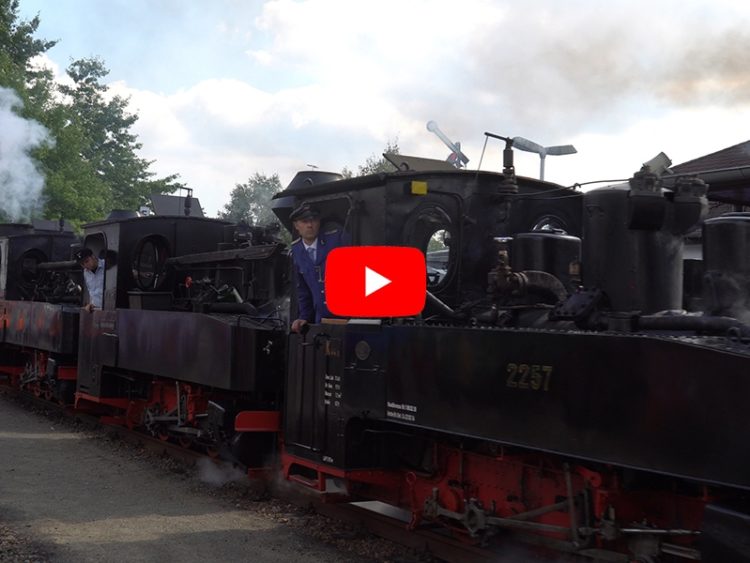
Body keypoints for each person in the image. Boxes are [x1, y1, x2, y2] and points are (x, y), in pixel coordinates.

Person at [289, 203, 346, 333]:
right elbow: (303, 290)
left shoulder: (336, 239)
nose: (310, 225)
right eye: (304, 221)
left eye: (313, 220)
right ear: (296, 225)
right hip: (321, 318)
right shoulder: (296, 250)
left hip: (346, 315)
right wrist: (304, 317)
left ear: (319, 222)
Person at [74, 248, 105, 312]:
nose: (85, 266)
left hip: (108, 309)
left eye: (87, 261)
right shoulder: (86, 273)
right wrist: (91, 304)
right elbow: (91, 291)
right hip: (95, 310)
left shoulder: (106, 266)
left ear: (93, 256)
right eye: (82, 264)